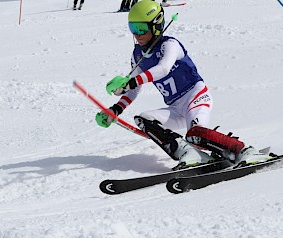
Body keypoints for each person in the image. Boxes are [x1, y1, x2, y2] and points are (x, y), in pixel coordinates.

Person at [96, 0, 273, 170]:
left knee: (195, 134)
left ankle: (245, 151)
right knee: (144, 119)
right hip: (175, 107)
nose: (137, 34)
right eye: (133, 28)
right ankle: (191, 154)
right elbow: (134, 89)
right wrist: (116, 109)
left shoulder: (170, 44)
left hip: (196, 98)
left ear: (156, 25)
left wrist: (132, 81)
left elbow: (163, 68)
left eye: (142, 28)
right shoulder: (138, 54)